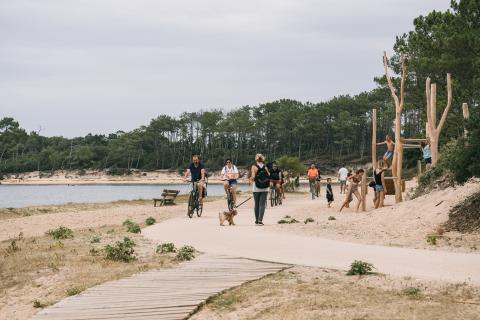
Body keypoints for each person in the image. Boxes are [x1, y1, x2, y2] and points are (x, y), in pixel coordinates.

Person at [250, 154, 270, 225]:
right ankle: (260, 221)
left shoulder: (254, 167)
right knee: (262, 205)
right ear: (263, 159)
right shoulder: (265, 167)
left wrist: (250, 180)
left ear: (256, 159)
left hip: (256, 188)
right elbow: (268, 176)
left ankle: (256, 220)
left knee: (257, 204)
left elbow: (253, 176)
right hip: (265, 188)